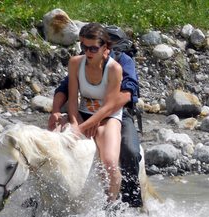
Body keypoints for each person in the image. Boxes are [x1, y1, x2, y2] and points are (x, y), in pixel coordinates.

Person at [48, 24, 143, 207]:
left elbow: (125, 96)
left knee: (129, 151)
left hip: (118, 114)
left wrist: (88, 124)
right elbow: (66, 88)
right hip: (86, 112)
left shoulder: (123, 62)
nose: (89, 52)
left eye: (93, 48)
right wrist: (57, 112)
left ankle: (130, 199)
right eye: (84, 47)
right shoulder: (78, 61)